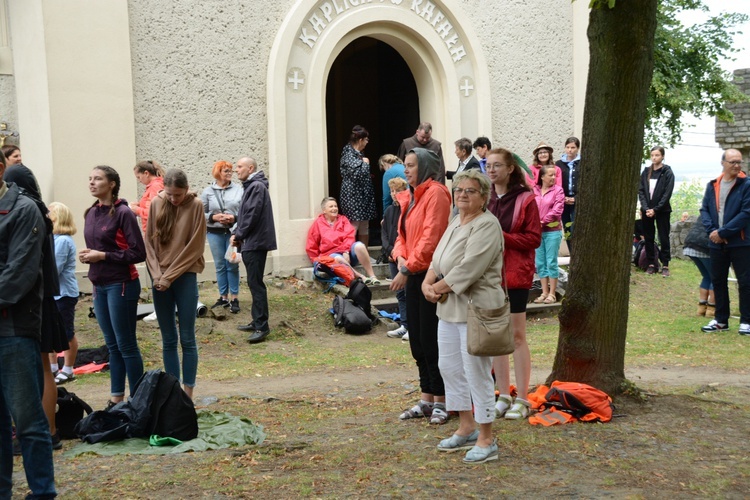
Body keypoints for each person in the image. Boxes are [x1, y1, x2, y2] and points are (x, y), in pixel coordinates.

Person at [423, 169, 503, 464]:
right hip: (448, 309)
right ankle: (466, 425)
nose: (462, 195)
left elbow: (470, 267)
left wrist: (437, 287)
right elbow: (437, 258)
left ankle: (486, 437)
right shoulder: (456, 221)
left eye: (470, 190)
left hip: (475, 309)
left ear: (484, 197)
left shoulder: (487, 225)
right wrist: (426, 282)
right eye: (459, 190)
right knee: (450, 368)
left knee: (477, 373)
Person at [0, 154, 57, 499]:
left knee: (28, 422)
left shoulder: (23, 210)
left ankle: (42, 493)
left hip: (14, 332)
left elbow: (18, 275)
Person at [5, 165, 69, 451]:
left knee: (42, 369)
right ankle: (46, 430)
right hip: (40, 300)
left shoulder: (28, 211)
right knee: (43, 368)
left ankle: (46, 431)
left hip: (35, 302)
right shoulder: (39, 211)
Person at [390, 148, 452, 424]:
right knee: (416, 340)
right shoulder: (411, 197)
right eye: (405, 165)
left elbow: (431, 237)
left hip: (430, 275)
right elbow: (401, 235)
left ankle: (443, 400)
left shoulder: (436, 193)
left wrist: (407, 267)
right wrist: (401, 257)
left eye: (412, 165)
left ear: (425, 166)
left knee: (431, 339)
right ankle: (426, 397)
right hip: (412, 272)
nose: (406, 170)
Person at [81, 165, 146, 406]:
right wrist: (88, 255)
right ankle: (116, 399)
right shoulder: (90, 212)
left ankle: (139, 400)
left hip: (122, 285)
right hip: (99, 286)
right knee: (112, 346)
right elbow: (99, 247)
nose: (91, 182)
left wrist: (103, 256)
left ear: (112, 184)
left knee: (126, 344)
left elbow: (138, 252)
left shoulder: (123, 213)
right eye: (90, 178)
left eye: (97, 179)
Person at [486, 148, 541, 419]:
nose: (492, 169)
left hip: (516, 276)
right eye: (488, 165)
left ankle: (523, 397)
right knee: (497, 338)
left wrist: (503, 236)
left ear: (510, 169)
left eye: (497, 165)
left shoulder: (526, 199)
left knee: (517, 337)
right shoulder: (485, 198)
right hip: (489, 277)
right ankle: (503, 395)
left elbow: (534, 238)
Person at [146, 168, 206, 398]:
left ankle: (187, 394)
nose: (173, 199)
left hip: (184, 276)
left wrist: (169, 276)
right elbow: (149, 243)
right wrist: (157, 274)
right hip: (160, 278)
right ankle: (173, 393)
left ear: (186, 189)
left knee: (187, 337)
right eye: (169, 194)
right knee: (168, 338)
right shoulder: (156, 203)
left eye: (178, 195)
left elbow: (195, 247)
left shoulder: (196, 206)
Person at [699, 149, 750, 335]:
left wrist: (723, 232)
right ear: (723, 163)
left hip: (740, 242)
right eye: (733, 162)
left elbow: (746, 213)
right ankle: (721, 320)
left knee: (745, 281)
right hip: (716, 243)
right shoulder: (713, 185)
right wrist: (712, 231)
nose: (737, 165)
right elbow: (704, 209)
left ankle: (746, 321)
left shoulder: (746, 185)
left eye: (739, 162)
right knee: (718, 281)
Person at [233, 157, 277, 344]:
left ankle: (261, 326)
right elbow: (247, 214)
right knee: (253, 283)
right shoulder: (253, 186)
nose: (236, 170)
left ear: (250, 168)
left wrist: (238, 234)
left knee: (256, 284)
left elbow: (251, 214)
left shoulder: (256, 187)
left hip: (255, 243)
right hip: (253, 241)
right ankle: (256, 320)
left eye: (240, 166)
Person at [306, 197, 381, 284]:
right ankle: (360, 276)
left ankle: (372, 276)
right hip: (331, 256)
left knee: (359, 245)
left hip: (347, 254)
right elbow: (311, 244)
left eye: (335, 206)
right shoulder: (318, 223)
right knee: (338, 258)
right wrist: (316, 260)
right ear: (324, 210)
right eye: (331, 207)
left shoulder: (343, 219)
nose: (334, 208)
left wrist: (346, 251)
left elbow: (349, 236)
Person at [201, 160, 244, 313]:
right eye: (226, 171)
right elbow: (201, 213)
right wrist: (214, 217)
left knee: (232, 264)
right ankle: (223, 297)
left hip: (233, 233)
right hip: (214, 233)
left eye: (231, 171)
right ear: (218, 172)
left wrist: (234, 218)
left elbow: (244, 211)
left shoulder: (239, 190)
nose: (230, 173)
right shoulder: (208, 192)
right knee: (220, 265)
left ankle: (234, 298)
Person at [48, 202, 80, 385]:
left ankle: (68, 369)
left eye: (49, 213)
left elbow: (55, 269)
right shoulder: (53, 239)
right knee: (50, 330)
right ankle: (53, 367)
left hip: (64, 294)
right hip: (54, 294)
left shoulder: (63, 241)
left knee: (66, 332)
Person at [638, 146, 675, 277]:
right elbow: (641, 191)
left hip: (662, 210)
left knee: (663, 236)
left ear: (662, 156)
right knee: (648, 236)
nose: (654, 158)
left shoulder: (667, 172)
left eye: (657, 155)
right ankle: (651, 263)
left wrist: (656, 209)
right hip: (647, 209)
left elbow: (667, 193)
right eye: (652, 155)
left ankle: (665, 264)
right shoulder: (646, 171)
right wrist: (646, 208)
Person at [339, 125, 377, 246]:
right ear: (360, 140)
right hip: (353, 196)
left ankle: (363, 253)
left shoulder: (358, 153)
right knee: (353, 225)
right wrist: (365, 164)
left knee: (364, 225)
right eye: (366, 139)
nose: (367, 142)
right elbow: (356, 175)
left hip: (363, 197)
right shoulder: (348, 154)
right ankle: (350, 253)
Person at [381, 177, 409, 340]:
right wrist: (390, 251)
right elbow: (384, 233)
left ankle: (412, 325)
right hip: (392, 256)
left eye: (398, 191)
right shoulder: (389, 210)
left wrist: (399, 254)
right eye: (392, 191)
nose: (394, 194)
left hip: (404, 257)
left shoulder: (407, 210)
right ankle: (404, 324)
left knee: (408, 291)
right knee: (399, 293)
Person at [533, 164, 565, 304]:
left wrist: (542, 221)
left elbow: (557, 210)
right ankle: (544, 292)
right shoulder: (535, 190)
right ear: (542, 177)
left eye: (555, 175)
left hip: (552, 231)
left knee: (551, 262)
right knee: (540, 263)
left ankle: (552, 293)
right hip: (537, 232)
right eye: (550, 175)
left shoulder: (558, 190)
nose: (553, 177)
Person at [682, 217, 715, 317]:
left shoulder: (707, 209)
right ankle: (711, 309)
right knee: (716, 277)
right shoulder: (721, 211)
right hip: (704, 246)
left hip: (690, 244)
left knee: (707, 276)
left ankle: (701, 308)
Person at [556, 137, 580, 251]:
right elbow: (557, 183)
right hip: (563, 199)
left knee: (576, 227)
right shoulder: (559, 164)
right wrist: (562, 197)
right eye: (568, 147)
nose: (570, 150)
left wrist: (576, 198)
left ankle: (578, 252)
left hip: (577, 200)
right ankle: (572, 253)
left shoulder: (582, 163)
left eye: (573, 147)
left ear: (577, 149)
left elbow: (585, 183)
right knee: (567, 228)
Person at [129, 160, 165, 234]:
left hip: (154, 232)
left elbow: (154, 213)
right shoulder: (156, 185)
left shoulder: (155, 186)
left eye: (139, 177)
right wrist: (139, 205)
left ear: (146, 173)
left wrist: (136, 209)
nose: (139, 181)